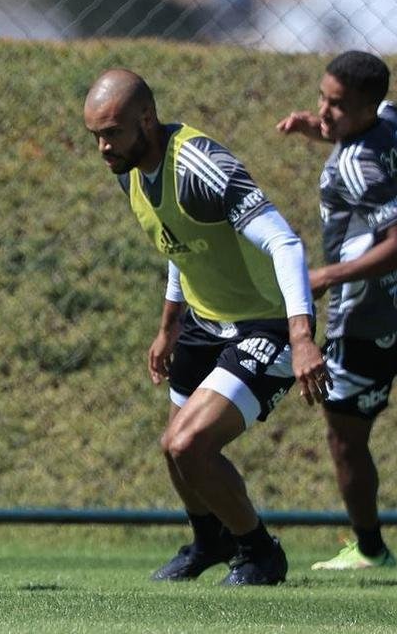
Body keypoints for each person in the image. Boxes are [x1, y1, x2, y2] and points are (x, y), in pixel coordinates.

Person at [83, 69, 328, 586]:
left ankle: (260, 552)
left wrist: (302, 337)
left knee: (187, 444)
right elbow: (182, 242)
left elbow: (286, 243)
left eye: (112, 133)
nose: (103, 146)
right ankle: (209, 542)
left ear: (146, 120)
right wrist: (168, 325)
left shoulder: (200, 167)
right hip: (203, 320)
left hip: (266, 324)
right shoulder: (132, 170)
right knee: (175, 454)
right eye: (95, 136)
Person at [277, 51, 397, 570]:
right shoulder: (395, 118)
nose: (325, 111)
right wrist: (317, 129)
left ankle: (370, 550)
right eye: (323, 98)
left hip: (360, 322)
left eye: (338, 105)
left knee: (344, 437)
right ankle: (369, 547)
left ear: (367, 106)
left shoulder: (354, 165)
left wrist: (322, 277)